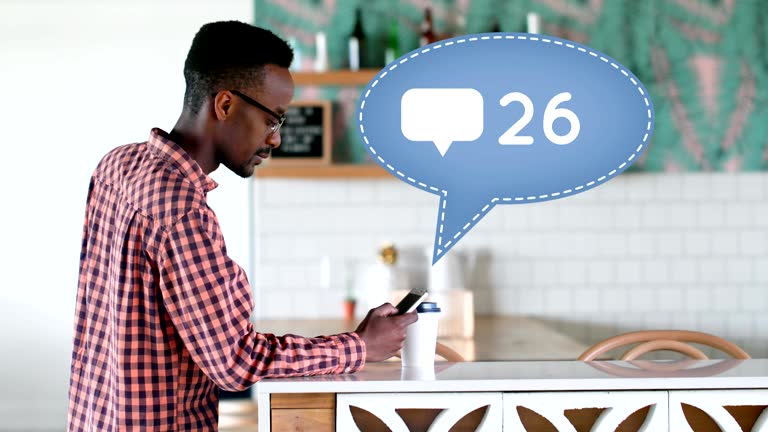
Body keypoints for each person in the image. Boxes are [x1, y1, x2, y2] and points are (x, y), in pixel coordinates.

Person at [68, 21, 417, 431]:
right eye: (274, 119)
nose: (276, 140)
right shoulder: (180, 210)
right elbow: (236, 362)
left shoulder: (117, 164)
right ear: (226, 105)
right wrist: (361, 347)